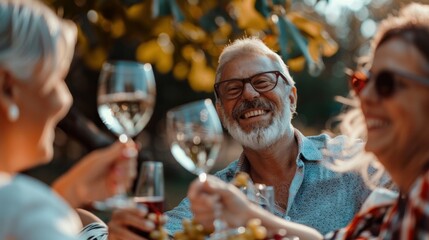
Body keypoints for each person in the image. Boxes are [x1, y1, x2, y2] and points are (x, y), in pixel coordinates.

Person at [107, 37, 392, 239]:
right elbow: (163, 231)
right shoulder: (215, 193)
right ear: (221, 111)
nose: (249, 94)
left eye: (263, 81)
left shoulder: (356, 163)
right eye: (232, 88)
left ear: (291, 97)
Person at [188, 2, 429, 239]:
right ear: (220, 111)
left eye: (386, 83)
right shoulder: (380, 215)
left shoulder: (359, 168)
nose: (364, 96)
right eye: (362, 83)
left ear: (292, 98)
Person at [0, 0, 145, 239]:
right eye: (56, 78)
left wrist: (67, 193)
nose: (64, 101)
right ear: (7, 87)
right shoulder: (27, 212)